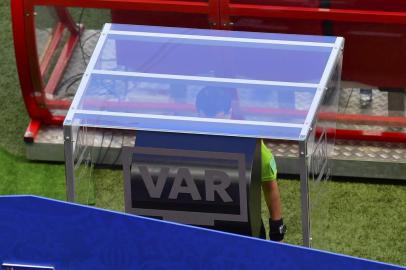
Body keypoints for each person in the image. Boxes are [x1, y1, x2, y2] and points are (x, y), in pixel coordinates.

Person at [195, 86, 286, 241]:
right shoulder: (187, 138)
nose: (212, 127)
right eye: (206, 119)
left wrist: (277, 225)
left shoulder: (251, 143)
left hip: (242, 228)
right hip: (200, 225)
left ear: (230, 113)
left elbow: (269, 184)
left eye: (218, 119)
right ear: (197, 113)